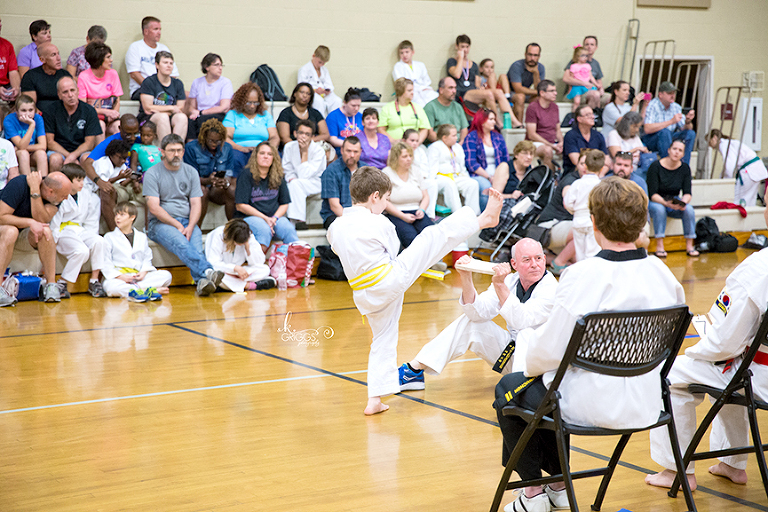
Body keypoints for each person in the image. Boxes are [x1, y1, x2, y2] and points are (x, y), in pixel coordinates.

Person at [493, 177, 685, 512]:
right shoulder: (665, 276)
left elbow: (545, 354)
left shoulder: (581, 276)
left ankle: (534, 494)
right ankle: (557, 485)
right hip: (647, 400)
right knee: (541, 390)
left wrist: (533, 365)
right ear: (643, 222)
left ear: (593, 223)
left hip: (589, 404)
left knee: (511, 387)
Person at [326, 166, 502, 414]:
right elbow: (393, 246)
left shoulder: (336, 226)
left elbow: (337, 249)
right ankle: (482, 220)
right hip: (387, 279)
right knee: (432, 237)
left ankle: (374, 400)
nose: (385, 205)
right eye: (386, 199)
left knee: (382, 340)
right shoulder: (378, 222)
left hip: (363, 294)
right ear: (375, 196)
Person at [646, 206, 768, 491]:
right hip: (756, 370)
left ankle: (677, 470)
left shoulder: (760, 268)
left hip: (760, 377)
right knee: (729, 368)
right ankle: (730, 463)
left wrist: (696, 353)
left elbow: (727, 341)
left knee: (673, 374)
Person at [400, 238, 557, 390]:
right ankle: (413, 371)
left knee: (526, 334)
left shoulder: (551, 289)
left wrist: (499, 285)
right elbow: (477, 314)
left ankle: (522, 393)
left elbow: (521, 320)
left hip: (541, 367)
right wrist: (466, 276)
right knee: (472, 324)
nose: (534, 265)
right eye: (527, 260)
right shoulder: (510, 280)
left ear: (544, 259)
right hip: (515, 358)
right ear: (514, 264)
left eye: (538, 258)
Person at [143, 134, 224, 296]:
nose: (176, 154)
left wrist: (191, 226)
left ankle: (202, 282)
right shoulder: (152, 173)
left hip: (187, 221)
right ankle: (208, 271)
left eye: (179, 150)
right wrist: (177, 225)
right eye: (172, 150)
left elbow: (196, 203)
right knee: (182, 244)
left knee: (196, 248)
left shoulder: (191, 172)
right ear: (162, 152)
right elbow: (154, 208)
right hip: (159, 224)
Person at [0, 172, 72, 304]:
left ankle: (51, 286)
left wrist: (35, 192)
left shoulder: (54, 199)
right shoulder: (19, 184)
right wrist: (29, 222)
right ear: (50, 191)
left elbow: (42, 219)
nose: (66, 199)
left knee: (45, 231)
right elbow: (1, 217)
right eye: (64, 196)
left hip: (21, 233)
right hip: (4, 228)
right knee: (11, 231)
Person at [49, 164, 105, 298]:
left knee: (99, 241)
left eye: (83, 180)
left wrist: (89, 236)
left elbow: (91, 222)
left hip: (79, 229)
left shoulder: (86, 194)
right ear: (68, 180)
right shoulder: (59, 195)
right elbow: (55, 224)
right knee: (82, 251)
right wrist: (52, 243)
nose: (82, 183)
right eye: (78, 180)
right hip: (63, 230)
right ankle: (62, 283)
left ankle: (94, 281)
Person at [235, 142, 298, 252]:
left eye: (269, 154)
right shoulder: (246, 174)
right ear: (256, 156)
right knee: (263, 229)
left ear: (273, 158)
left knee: (288, 228)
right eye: (262, 153)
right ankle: (257, 264)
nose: (266, 156)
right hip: (250, 218)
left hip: (274, 218)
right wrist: (265, 219)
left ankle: (295, 263)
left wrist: (274, 219)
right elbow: (241, 206)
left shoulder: (278, 175)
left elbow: (284, 204)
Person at [102, 201, 172, 302]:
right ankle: (148, 290)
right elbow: (105, 262)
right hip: (120, 277)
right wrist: (121, 277)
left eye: (122, 214)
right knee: (110, 287)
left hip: (138, 276)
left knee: (166, 276)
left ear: (132, 217)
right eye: (116, 214)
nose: (117, 218)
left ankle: (136, 291)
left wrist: (143, 272)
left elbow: (147, 258)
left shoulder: (141, 237)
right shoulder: (109, 237)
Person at [81, 114, 141, 230]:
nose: (133, 137)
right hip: (117, 183)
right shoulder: (111, 142)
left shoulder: (141, 139)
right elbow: (87, 163)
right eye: (128, 134)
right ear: (120, 129)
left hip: (134, 181)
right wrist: (99, 181)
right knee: (107, 190)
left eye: (136, 133)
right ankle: (117, 233)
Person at [646, 139, 698, 258]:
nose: (676, 152)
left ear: (683, 154)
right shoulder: (655, 166)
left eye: (680, 150)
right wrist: (666, 203)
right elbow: (652, 194)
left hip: (674, 200)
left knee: (689, 209)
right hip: (657, 200)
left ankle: (690, 246)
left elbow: (687, 193)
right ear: (669, 150)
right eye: (674, 149)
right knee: (659, 209)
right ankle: (660, 246)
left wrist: (682, 203)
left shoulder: (685, 168)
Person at [447, 35, 515, 124]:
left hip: (473, 92)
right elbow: (457, 74)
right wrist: (460, 58)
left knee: (498, 92)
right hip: (462, 93)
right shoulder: (452, 61)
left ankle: (514, 121)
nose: (465, 50)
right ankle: (497, 122)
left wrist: (480, 89)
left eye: (467, 47)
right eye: (462, 47)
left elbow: (477, 82)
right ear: (457, 47)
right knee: (489, 94)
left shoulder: (473, 64)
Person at [44, 76, 102, 173]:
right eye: (65, 92)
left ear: (78, 91)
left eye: (72, 90)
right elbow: (50, 142)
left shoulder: (89, 111)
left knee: (87, 159)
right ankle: (56, 187)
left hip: (82, 150)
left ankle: (85, 188)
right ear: (59, 95)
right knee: (55, 159)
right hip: (59, 150)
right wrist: (69, 156)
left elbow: (89, 143)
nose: (70, 95)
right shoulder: (50, 110)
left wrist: (73, 155)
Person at [183, 118, 235, 224]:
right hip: (196, 187)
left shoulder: (227, 148)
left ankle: (234, 228)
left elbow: (229, 172)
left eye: (218, 141)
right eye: (211, 140)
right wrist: (208, 181)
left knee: (231, 189)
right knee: (202, 191)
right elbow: (190, 177)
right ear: (204, 137)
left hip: (216, 189)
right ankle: (196, 228)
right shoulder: (191, 148)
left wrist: (225, 181)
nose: (215, 144)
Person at [382, 142, 432, 247]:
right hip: (396, 213)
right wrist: (402, 216)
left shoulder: (416, 171)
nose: (409, 159)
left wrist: (422, 210)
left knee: (432, 234)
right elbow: (384, 201)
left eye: (410, 156)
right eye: (405, 156)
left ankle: (433, 263)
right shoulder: (387, 173)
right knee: (411, 238)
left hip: (417, 211)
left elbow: (426, 196)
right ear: (396, 158)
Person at [204, 218, 275, 292]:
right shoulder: (217, 235)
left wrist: (248, 249)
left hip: (239, 273)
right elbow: (213, 263)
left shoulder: (248, 235)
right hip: (224, 271)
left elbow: (259, 262)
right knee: (212, 275)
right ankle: (250, 285)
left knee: (265, 269)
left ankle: (229, 286)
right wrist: (234, 268)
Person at [224, 82, 278, 177]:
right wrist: (241, 148)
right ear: (241, 101)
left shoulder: (265, 115)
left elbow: (274, 137)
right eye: (249, 102)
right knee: (235, 158)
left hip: (261, 150)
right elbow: (225, 138)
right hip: (239, 150)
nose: (252, 106)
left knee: (276, 156)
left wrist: (267, 150)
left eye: (255, 103)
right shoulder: (233, 115)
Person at [427, 124, 480, 215]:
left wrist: (466, 177)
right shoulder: (435, 147)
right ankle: (458, 214)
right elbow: (432, 167)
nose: (457, 137)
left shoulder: (457, 147)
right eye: (454, 135)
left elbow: (462, 166)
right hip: (441, 178)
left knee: (473, 184)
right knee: (450, 184)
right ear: (444, 137)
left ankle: (473, 215)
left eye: (457, 135)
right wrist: (431, 183)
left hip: (457, 176)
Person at [708, 128, 768, 207]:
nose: (709, 144)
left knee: (739, 199)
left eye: (709, 141)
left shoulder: (724, 144)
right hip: (755, 170)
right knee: (750, 200)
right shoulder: (730, 143)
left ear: (715, 137)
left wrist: (726, 181)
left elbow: (729, 166)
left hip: (749, 172)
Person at [463, 109, 509, 210]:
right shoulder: (471, 137)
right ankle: (488, 215)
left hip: (497, 172)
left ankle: (496, 213)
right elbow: (471, 163)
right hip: (479, 174)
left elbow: (506, 159)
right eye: (491, 119)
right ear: (482, 121)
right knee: (486, 187)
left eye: (494, 119)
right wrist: (489, 177)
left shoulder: (498, 137)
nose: (494, 122)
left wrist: (497, 176)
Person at [282, 119, 327, 224]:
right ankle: (295, 221)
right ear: (295, 133)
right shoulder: (289, 147)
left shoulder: (318, 151)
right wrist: (291, 177)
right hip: (294, 181)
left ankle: (297, 220)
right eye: (301, 133)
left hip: (315, 182)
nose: (303, 137)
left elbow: (304, 175)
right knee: (293, 184)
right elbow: (287, 169)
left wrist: (304, 152)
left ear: (312, 137)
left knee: (296, 184)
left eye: (307, 134)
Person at [125, 16, 179, 100]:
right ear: (146, 31)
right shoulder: (135, 47)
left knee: (187, 96)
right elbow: (134, 74)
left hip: (164, 89)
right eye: (155, 29)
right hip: (142, 89)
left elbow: (173, 74)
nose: (159, 32)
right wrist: (153, 88)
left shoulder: (164, 48)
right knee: (162, 98)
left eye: (160, 29)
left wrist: (164, 88)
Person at [89, 139, 138, 231]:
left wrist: (130, 178)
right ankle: (115, 230)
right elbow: (103, 184)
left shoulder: (121, 165)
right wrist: (119, 177)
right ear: (112, 154)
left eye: (125, 158)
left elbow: (122, 183)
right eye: (121, 157)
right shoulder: (102, 163)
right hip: (99, 189)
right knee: (107, 190)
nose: (123, 160)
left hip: (120, 189)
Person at [642, 81, 696, 165]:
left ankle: (684, 165)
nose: (672, 96)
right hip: (652, 138)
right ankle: (668, 165)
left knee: (690, 133)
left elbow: (684, 128)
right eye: (669, 93)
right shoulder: (652, 105)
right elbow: (647, 129)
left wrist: (688, 122)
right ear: (660, 94)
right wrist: (671, 121)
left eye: (673, 93)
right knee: (664, 132)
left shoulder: (676, 107)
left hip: (670, 136)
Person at [138, 51, 187, 143]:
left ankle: (177, 149)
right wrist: (171, 108)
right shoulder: (149, 82)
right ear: (157, 65)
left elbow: (180, 107)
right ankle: (167, 151)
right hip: (149, 118)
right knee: (162, 117)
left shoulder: (178, 83)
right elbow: (148, 108)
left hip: (169, 115)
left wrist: (160, 109)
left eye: (171, 63)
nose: (169, 66)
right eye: (165, 63)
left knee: (182, 117)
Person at [564, 149, 603, 261]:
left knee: (580, 253)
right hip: (593, 220)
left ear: (585, 166)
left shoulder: (577, 183)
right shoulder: (600, 185)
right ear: (601, 168)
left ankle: (581, 274)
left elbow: (568, 203)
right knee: (592, 252)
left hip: (578, 220)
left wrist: (575, 211)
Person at [77, 42, 123, 138]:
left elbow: (117, 99)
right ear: (98, 59)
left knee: (118, 127)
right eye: (108, 57)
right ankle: (101, 153)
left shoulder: (113, 74)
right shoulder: (84, 76)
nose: (111, 60)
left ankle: (118, 153)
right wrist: (106, 112)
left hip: (110, 117)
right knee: (100, 125)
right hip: (92, 117)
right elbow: (84, 106)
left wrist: (113, 115)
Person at [186, 53, 233, 141]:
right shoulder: (197, 82)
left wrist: (201, 113)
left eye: (221, 65)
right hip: (199, 114)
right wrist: (194, 113)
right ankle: (191, 148)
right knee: (190, 121)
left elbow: (224, 107)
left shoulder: (225, 82)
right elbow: (192, 107)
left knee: (203, 121)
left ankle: (203, 147)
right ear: (207, 67)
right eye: (216, 65)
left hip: (217, 114)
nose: (220, 68)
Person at [320, 136, 361, 229]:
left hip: (359, 214)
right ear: (342, 150)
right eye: (348, 151)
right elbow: (334, 206)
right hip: (336, 215)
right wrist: (352, 223)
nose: (352, 155)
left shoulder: (365, 170)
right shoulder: (331, 171)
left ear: (360, 152)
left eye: (355, 152)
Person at [19, 43, 71, 112]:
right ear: (42, 60)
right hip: (40, 116)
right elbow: (29, 106)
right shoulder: (30, 76)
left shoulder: (65, 75)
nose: (58, 58)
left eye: (58, 54)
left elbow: (71, 100)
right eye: (53, 55)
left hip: (63, 115)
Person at [3, 94, 47, 175]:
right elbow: (22, 146)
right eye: (23, 110)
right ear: (16, 111)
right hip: (14, 155)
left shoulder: (38, 118)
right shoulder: (9, 120)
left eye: (31, 110)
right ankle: (26, 184)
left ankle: (44, 183)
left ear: (35, 110)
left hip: (27, 151)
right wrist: (32, 125)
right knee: (23, 153)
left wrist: (18, 147)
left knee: (41, 153)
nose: (27, 114)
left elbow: (43, 146)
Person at [525, 80, 563, 172]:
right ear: (542, 93)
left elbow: (557, 129)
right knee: (547, 150)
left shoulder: (555, 107)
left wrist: (561, 142)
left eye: (555, 90)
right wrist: (551, 145)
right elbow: (532, 134)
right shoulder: (533, 107)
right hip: (535, 143)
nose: (556, 93)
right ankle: (550, 180)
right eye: (552, 91)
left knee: (572, 147)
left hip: (553, 142)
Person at [276, 83, 329, 148]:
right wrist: (298, 147)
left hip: (313, 147)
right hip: (292, 148)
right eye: (302, 92)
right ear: (295, 94)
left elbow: (326, 135)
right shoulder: (286, 113)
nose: (305, 95)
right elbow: (284, 137)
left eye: (308, 94)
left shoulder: (315, 113)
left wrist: (309, 141)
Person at [379, 78, 431, 144]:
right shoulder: (387, 108)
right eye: (409, 90)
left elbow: (424, 129)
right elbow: (381, 129)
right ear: (401, 91)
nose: (412, 93)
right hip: (393, 145)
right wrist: (393, 141)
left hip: (415, 146)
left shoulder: (418, 108)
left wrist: (417, 142)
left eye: (413, 90)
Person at [562, 104, 609, 176]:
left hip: (597, 173)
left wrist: (599, 176)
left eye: (592, 114)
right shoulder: (570, 136)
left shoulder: (598, 136)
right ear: (579, 119)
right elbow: (576, 161)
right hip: (575, 173)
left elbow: (606, 160)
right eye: (588, 115)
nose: (592, 117)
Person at [561, 36, 605, 111]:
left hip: (591, 89)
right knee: (594, 95)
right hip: (579, 90)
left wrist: (601, 88)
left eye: (592, 44)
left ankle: (599, 117)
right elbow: (566, 78)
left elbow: (598, 81)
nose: (589, 47)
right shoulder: (575, 62)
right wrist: (584, 83)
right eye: (586, 44)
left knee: (610, 98)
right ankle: (588, 117)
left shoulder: (595, 63)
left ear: (596, 47)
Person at [297, 45, 341, 116]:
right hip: (312, 94)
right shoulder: (304, 70)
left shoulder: (324, 70)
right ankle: (320, 124)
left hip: (324, 94)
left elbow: (329, 84)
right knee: (319, 101)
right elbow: (301, 87)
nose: (321, 65)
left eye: (324, 63)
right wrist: (315, 90)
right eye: (319, 62)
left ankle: (334, 122)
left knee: (337, 101)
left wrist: (327, 90)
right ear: (313, 56)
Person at [402, 129, 437, 219]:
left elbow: (425, 168)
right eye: (412, 141)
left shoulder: (420, 151)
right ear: (404, 140)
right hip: (406, 179)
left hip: (420, 178)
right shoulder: (400, 152)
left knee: (432, 184)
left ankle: (429, 214)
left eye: (417, 141)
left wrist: (421, 178)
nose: (415, 143)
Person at [607, 111, 652, 179]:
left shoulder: (635, 137)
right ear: (626, 125)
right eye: (634, 127)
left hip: (637, 168)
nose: (637, 130)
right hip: (620, 171)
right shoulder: (614, 134)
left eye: (638, 127)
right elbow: (617, 155)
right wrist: (636, 149)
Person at [392, 40, 438, 107]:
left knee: (436, 97)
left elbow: (427, 80)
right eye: (401, 53)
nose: (404, 55)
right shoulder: (398, 66)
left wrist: (423, 88)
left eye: (407, 52)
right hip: (409, 92)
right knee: (420, 104)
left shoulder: (420, 65)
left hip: (423, 89)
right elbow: (401, 83)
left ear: (412, 52)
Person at [424, 76, 470, 143]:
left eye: (455, 88)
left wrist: (461, 143)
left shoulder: (458, 106)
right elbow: (430, 133)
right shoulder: (430, 107)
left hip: (457, 143)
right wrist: (446, 145)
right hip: (439, 143)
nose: (454, 91)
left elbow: (464, 129)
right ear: (441, 90)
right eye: (450, 88)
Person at [509, 43, 545, 125]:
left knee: (541, 98)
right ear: (525, 54)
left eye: (535, 55)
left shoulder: (540, 67)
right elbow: (518, 89)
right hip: (512, 93)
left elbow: (538, 87)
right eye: (530, 55)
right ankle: (518, 126)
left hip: (527, 94)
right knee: (520, 97)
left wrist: (536, 74)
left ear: (539, 56)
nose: (532, 58)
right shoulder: (517, 66)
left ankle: (536, 126)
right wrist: (538, 92)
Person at [326, 88, 363, 154]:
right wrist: (351, 146)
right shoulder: (333, 116)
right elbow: (333, 139)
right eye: (353, 106)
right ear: (344, 103)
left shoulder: (360, 116)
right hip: (341, 151)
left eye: (358, 106)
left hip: (359, 150)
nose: (356, 108)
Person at [564, 45, 599, 112]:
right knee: (577, 101)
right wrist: (570, 88)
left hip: (586, 86)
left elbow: (591, 76)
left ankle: (592, 113)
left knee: (596, 96)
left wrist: (596, 84)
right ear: (577, 56)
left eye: (586, 56)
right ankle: (574, 115)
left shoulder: (588, 66)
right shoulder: (573, 66)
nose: (585, 58)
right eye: (582, 56)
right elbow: (571, 79)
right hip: (577, 87)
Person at [0, 17, 21, 104]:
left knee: (21, 101)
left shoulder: (7, 45)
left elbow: (13, 71)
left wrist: (15, 89)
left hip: (6, 86)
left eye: (0, 22)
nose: (0, 25)